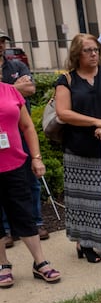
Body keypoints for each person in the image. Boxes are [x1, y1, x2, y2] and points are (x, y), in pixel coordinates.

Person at [54, 34, 101, 263]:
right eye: (87, 50)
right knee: (83, 202)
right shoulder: (66, 80)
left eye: (96, 49)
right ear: (77, 54)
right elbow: (63, 113)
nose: (94, 54)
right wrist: (98, 122)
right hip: (79, 151)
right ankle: (84, 244)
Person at [0, 82, 61, 288]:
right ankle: (3, 264)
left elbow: (27, 127)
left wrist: (36, 157)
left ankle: (39, 261)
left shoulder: (10, 91)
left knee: (24, 212)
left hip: (15, 164)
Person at [0, 29, 48, 243]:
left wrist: (10, 89)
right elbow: (19, 89)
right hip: (3, 137)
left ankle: (35, 223)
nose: (0, 45)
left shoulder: (16, 65)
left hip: (19, 129)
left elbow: (30, 88)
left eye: (2, 41)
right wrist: (14, 87)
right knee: (5, 185)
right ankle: (8, 229)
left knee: (31, 180)